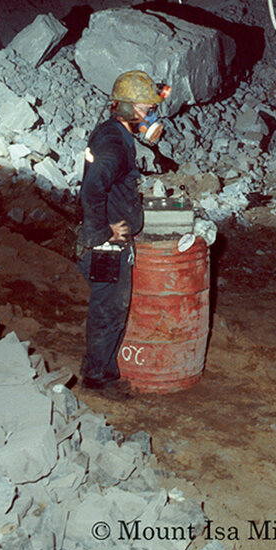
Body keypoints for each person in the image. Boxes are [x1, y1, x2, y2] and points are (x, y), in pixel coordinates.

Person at [77, 69, 163, 397]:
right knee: (108, 309)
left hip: (108, 242)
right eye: (145, 109)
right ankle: (98, 379)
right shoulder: (113, 142)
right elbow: (92, 188)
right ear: (125, 107)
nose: (150, 116)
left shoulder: (115, 134)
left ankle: (100, 371)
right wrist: (102, 231)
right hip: (106, 248)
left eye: (151, 109)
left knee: (109, 307)